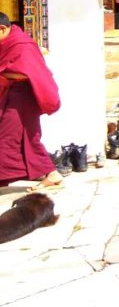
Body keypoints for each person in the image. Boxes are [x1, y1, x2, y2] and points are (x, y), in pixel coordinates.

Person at [0, 14, 62, 190]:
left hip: (25, 95)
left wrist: (2, 72)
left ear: (3, 29)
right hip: (11, 93)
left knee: (13, 136)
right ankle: (51, 174)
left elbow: (28, 73)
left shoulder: (22, 45)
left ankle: (51, 174)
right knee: (24, 136)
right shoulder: (7, 41)